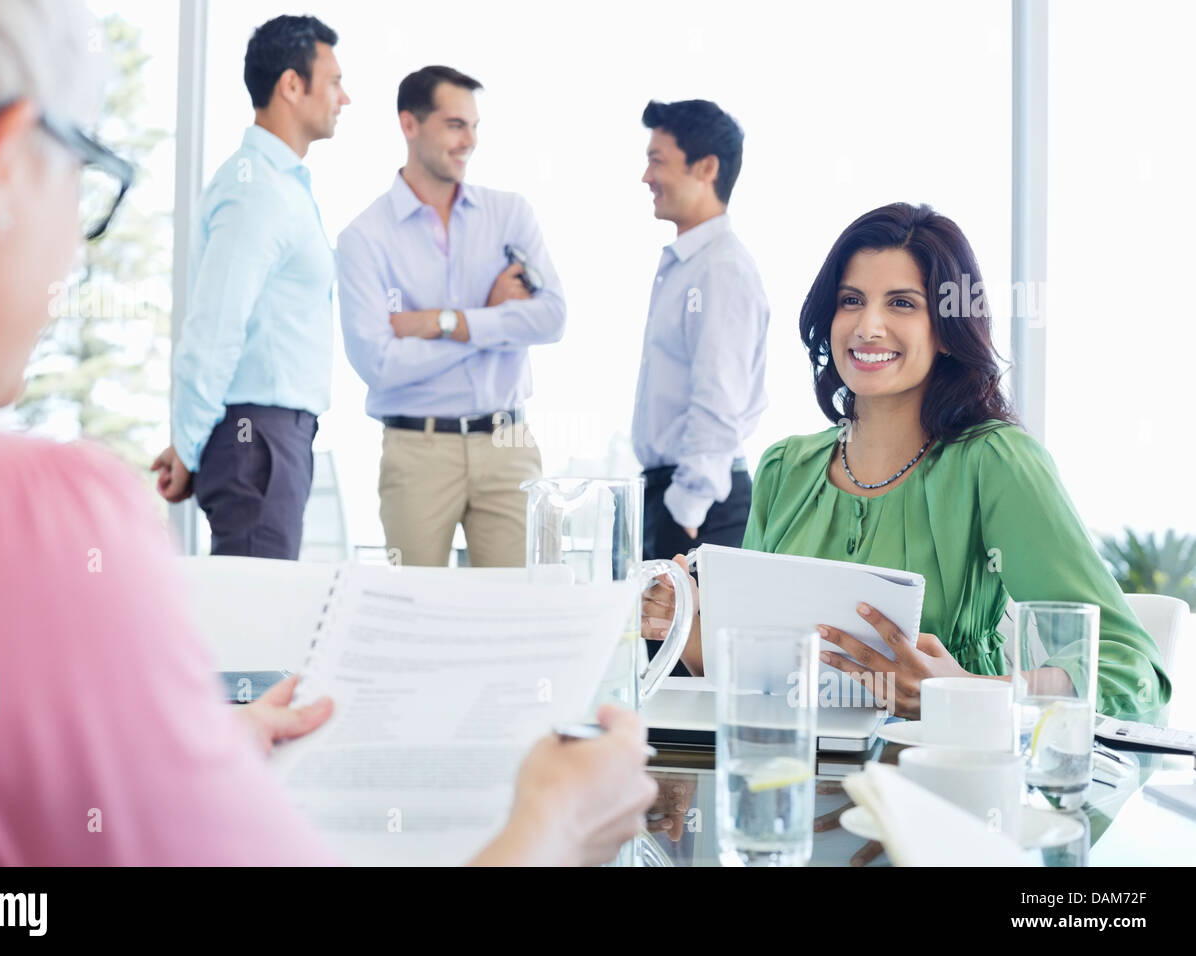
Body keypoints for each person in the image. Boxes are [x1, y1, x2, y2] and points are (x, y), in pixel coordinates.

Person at [0, 0, 655, 866]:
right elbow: (242, 330)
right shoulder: (39, 513)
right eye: (86, 168)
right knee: (262, 641)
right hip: (260, 435)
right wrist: (551, 826)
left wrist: (187, 750)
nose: (76, 237)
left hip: (278, 436)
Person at [642, 202, 1171, 722]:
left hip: (943, 778)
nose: (868, 327)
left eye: (901, 303)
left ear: (946, 329)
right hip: (795, 783)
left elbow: (1130, 670)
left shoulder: (996, 462)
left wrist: (965, 692)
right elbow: (754, 683)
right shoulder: (785, 467)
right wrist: (690, 632)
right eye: (851, 300)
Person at [336, 65, 565, 568]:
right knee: (415, 615)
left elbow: (551, 318)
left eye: (475, 126)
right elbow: (379, 362)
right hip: (417, 449)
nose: (470, 141)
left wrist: (444, 321)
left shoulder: (511, 214)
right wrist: (490, 317)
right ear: (409, 124)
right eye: (455, 125)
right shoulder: (364, 239)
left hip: (509, 442)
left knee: (520, 613)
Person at [150, 15, 346, 560]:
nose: (344, 97)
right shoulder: (256, 189)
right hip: (257, 438)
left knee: (261, 623)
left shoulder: (277, 185)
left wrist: (191, 443)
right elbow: (213, 329)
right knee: (256, 633)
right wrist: (189, 447)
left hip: (267, 439)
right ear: (291, 85)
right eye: (333, 82)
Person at [634, 100, 768, 563]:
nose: (646, 177)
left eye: (657, 160)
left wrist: (685, 511)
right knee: (659, 637)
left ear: (706, 167)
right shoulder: (689, 265)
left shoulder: (720, 270)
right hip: (676, 495)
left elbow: (720, 400)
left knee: (686, 638)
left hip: (699, 504)